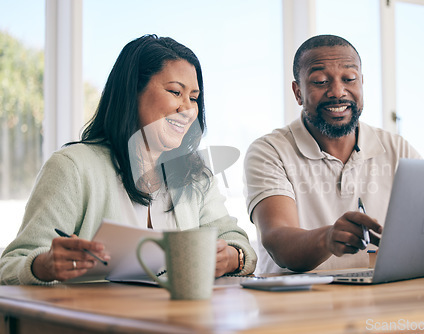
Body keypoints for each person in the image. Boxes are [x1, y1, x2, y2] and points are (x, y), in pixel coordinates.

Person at [0, 34, 256, 285]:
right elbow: (10, 266)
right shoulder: (73, 167)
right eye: (176, 92)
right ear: (132, 91)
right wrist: (44, 265)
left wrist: (233, 256)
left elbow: (235, 239)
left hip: (180, 321)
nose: (187, 109)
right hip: (97, 323)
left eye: (193, 97)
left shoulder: (195, 175)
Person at [244, 34, 424, 274]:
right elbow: (278, 241)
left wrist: (404, 248)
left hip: (378, 298)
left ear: (361, 82)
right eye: (320, 81)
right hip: (295, 303)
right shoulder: (270, 151)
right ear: (297, 92)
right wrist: (328, 238)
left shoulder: (395, 148)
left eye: (349, 79)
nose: (338, 91)